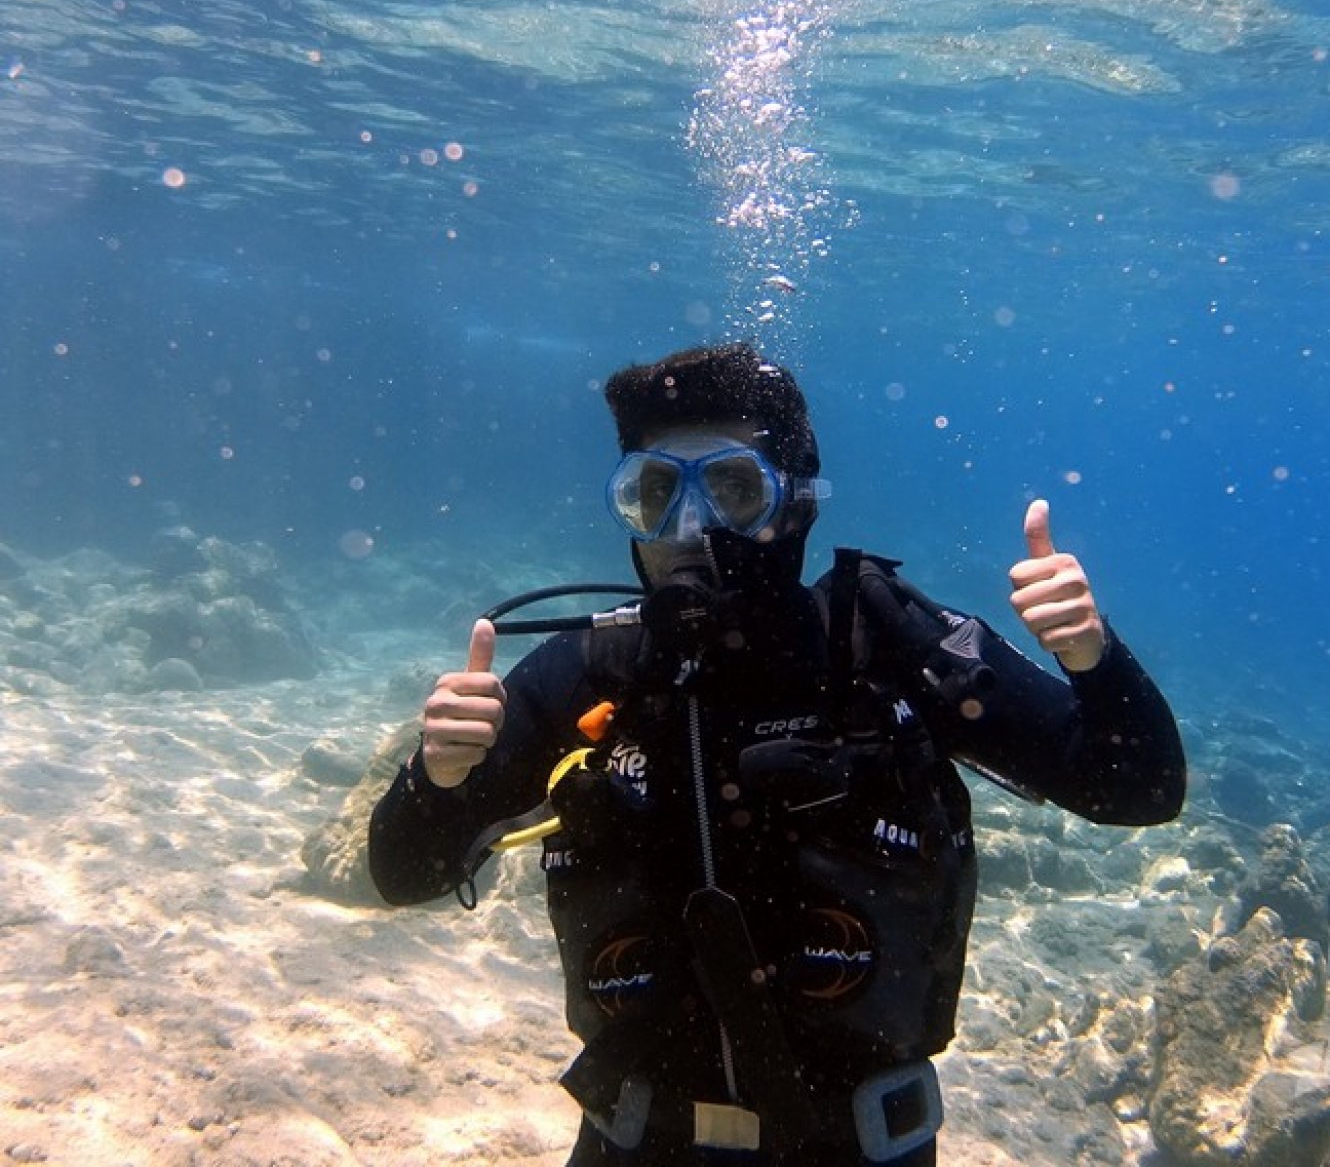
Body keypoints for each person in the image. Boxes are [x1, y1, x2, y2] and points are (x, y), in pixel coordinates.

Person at [368, 342, 1185, 1167]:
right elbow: (403, 874)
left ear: (795, 506)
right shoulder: (591, 673)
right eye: (655, 494)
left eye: (733, 489)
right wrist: (436, 778)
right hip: (634, 1143)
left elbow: (1140, 788)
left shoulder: (889, 645)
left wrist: (1093, 659)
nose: (690, 529)